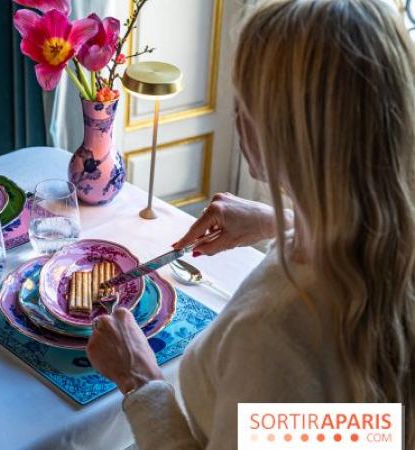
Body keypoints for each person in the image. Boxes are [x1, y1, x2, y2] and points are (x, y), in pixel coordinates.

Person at [85, 0, 415, 448]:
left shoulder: (273, 340)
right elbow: (360, 434)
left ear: (264, 135)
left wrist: (140, 382)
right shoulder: (387, 244)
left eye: (243, 102)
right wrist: (284, 225)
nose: (238, 119)